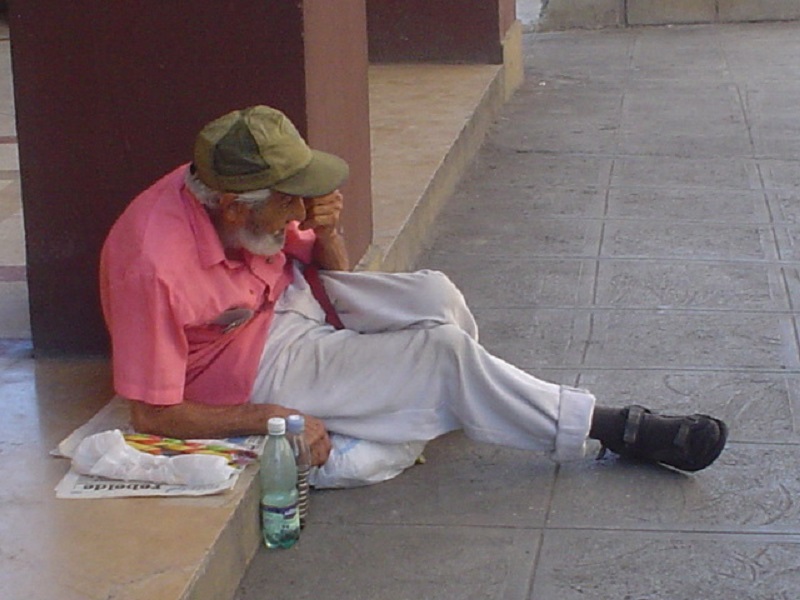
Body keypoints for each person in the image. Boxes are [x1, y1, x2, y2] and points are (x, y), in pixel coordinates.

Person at [100, 105, 728, 476]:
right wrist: (267, 417)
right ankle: (610, 426)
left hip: (289, 298)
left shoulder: (246, 203)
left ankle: (443, 399)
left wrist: (328, 231)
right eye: (293, 198)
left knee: (436, 297)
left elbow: (331, 275)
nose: (303, 205)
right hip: (243, 365)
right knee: (441, 352)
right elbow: (151, 413)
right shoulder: (152, 264)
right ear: (235, 208)